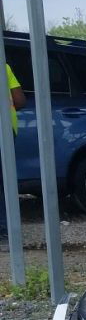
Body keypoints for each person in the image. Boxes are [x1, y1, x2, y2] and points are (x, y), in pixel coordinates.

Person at [1, 63, 26, 239]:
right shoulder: (4, 66)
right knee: (4, 182)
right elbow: (19, 101)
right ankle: (5, 230)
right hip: (7, 130)